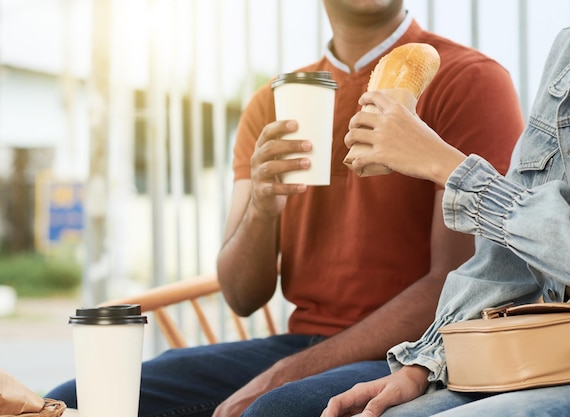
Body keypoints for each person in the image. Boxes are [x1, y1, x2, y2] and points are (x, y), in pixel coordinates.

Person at [46, 1, 524, 416]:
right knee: (72, 399)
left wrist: (286, 374)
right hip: (305, 343)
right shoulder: (271, 105)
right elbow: (241, 295)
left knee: (277, 407)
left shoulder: (468, 80)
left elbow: (460, 283)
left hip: (419, 355)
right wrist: (261, 207)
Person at [321, 26, 570, 417]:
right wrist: (423, 363)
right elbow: (509, 258)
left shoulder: (474, 78)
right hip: (548, 355)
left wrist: (445, 163)